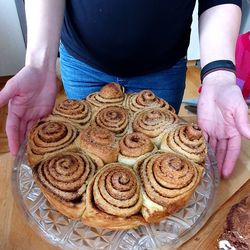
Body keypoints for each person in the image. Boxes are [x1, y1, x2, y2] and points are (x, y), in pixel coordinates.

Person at [0, 0, 249, 178]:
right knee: (90, 154)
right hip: (83, 62)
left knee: (153, 165)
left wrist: (218, 75)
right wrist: (38, 64)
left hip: (162, 69)